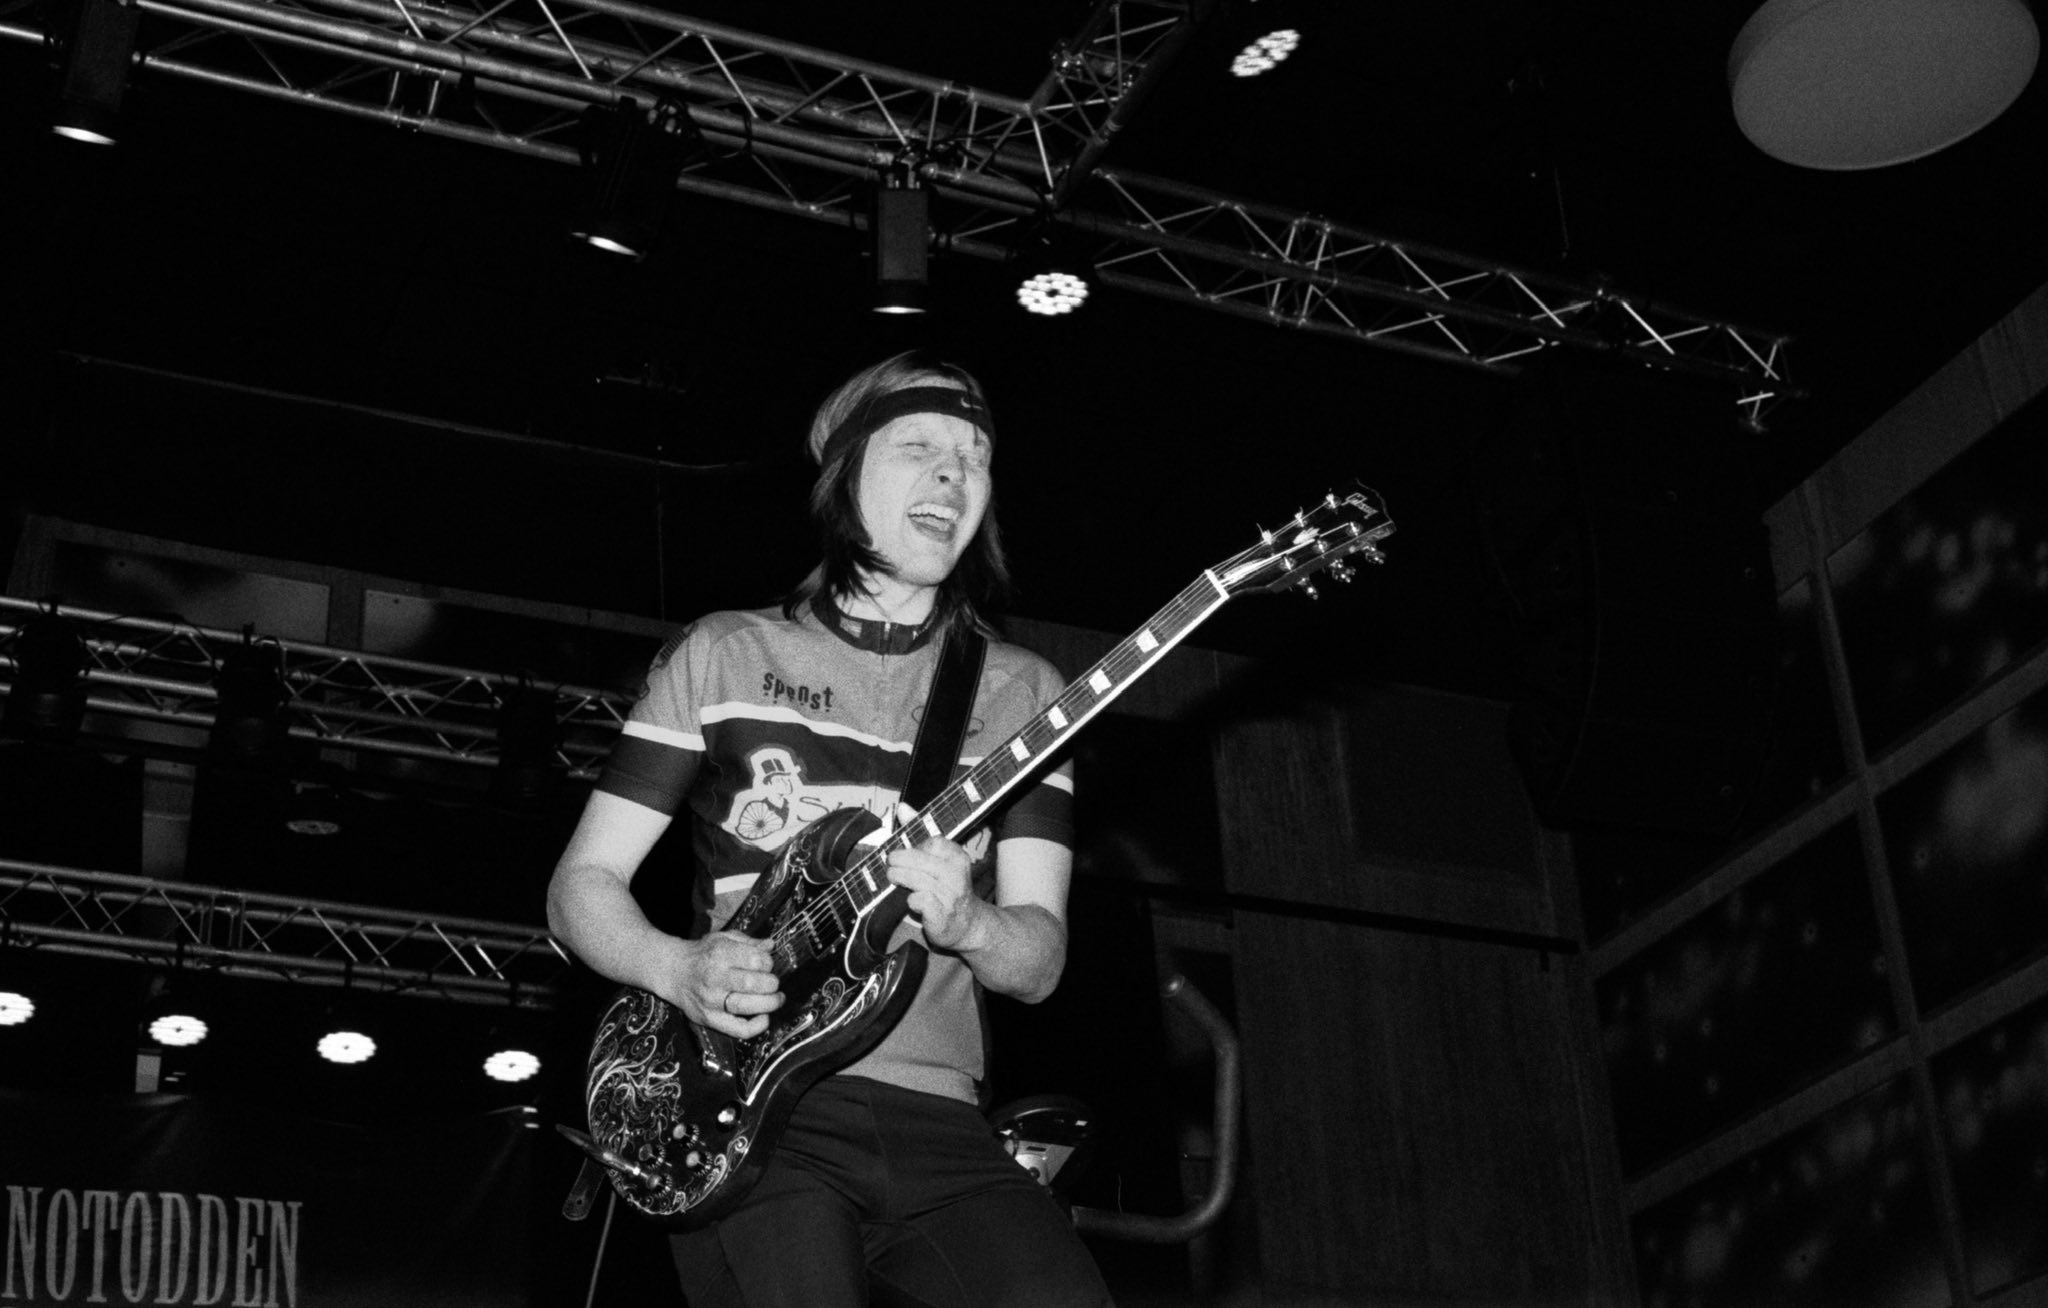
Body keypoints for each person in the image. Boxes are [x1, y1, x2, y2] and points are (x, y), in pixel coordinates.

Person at [546, 352, 1114, 1308]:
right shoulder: (725, 652)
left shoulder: (1027, 694)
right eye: (919, 447)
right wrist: (677, 968)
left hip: (942, 1122)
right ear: (846, 478)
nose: (954, 473)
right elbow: (578, 891)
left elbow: (1039, 961)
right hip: (754, 1113)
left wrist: (972, 924)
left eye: (975, 457)